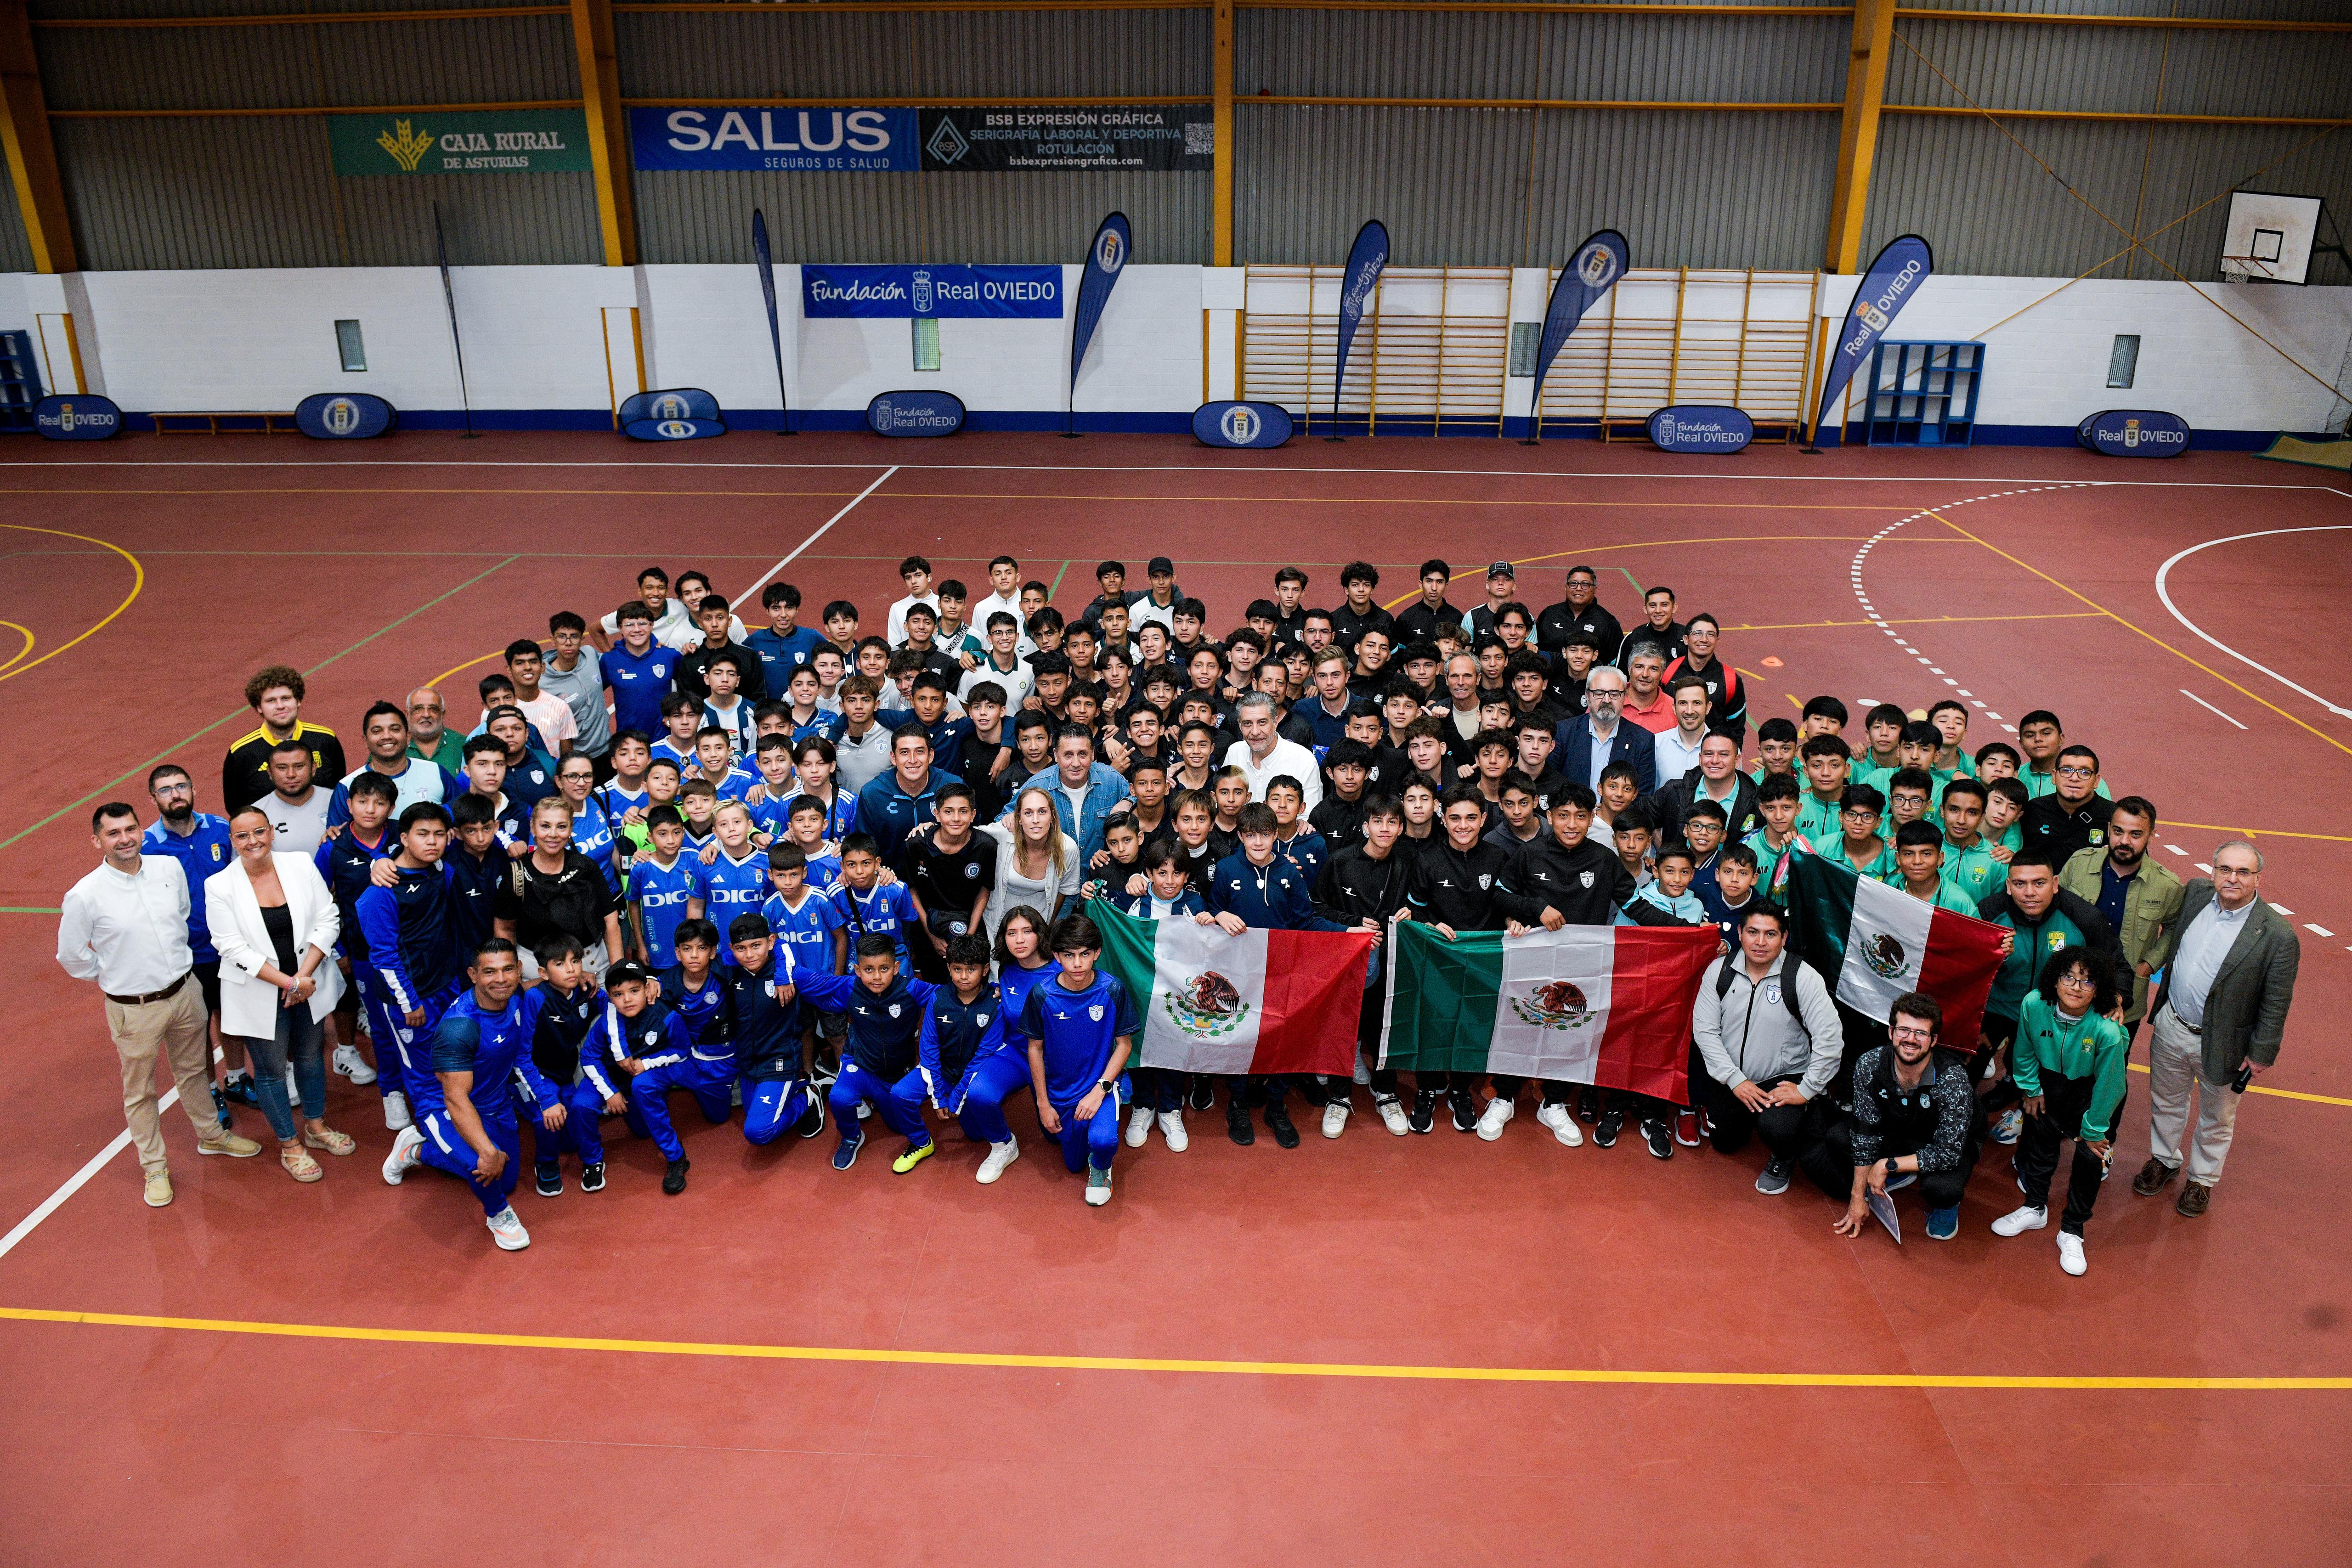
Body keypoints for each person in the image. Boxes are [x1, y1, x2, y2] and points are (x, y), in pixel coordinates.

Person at [57, 802, 264, 1206]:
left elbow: (183, 917)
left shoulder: (168, 870)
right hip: (133, 1008)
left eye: (130, 829)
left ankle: (212, 1137)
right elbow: (71, 956)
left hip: (185, 992)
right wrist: (114, 975)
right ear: (96, 840)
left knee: (193, 1072)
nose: (125, 839)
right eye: (113, 833)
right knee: (140, 1092)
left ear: (141, 830)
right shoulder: (85, 895)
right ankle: (154, 1168)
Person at [2135, 841, 2300, 1219]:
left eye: (2243, 872)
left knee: (2218, 1116)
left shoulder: (2277, 935)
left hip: (2226, 1042)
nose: (2232, 878)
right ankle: (2164, 1159)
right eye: (2225, 869)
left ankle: (2202, 1180)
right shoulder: (2195, 894)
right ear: (2212, 871)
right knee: (2166, 1100)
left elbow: (2276, 1002)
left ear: (2259, 878)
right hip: (2173, 1025)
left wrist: (2261, 1054)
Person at [381, 938, 564, 1252]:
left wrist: (545, 1097)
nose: (501, 979)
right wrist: (486, 1151)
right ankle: (498, 1216)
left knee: (505, 1180)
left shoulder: (516, 1000)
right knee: (484, 1166)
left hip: (495, 1102)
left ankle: (419, 1152)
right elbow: (455, 1099)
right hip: (444, 1107)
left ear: (520, 970)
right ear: (473, 975)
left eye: (508, 969)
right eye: (490, 972)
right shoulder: (460, 1028)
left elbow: (521, 1054)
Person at [204, 807, 353, 1182]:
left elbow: (328, 917)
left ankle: (316, 1128)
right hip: (261, 990)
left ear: (272, 833)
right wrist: (287, 984)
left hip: (308, 984)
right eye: (242, 836)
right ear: (232, 842)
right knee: (270, 1072)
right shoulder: (219, 886)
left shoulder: (300, 865)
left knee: (309, 1056)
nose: (252, 841)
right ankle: (290, 1145)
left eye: (259, 832)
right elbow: (231, 948)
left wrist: (302, 978)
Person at [1203, 801, 1349, 1148]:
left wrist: (1349, 933)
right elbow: (1209, 912)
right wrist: (1220, 915)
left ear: (1275, 837)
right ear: (1240, 836)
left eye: (1265, 835)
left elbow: (1307, 921)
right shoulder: (1225, 869)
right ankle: (1237, 1102)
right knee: (1240, 1034)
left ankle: (1277, 1104)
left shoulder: (1289, 872)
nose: (1257, 843)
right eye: (1251, 835)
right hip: (1238, 972)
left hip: (1282, 972)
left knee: (1284, 1035)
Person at [1990, 946, 2131, 1275]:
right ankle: (2035, 1208)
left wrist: (2095, 1130)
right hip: (2048, 1082)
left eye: (2087, 981)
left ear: (2100, 990)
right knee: (2038, 1142)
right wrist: (2030, 1088)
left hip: (2092, 1091)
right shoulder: (2034, 1004)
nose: (2076, 987)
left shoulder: (2108, 1031)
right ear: (2055, 980)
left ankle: (2072, 1230)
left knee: (2088, 1158)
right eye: (2069, 977)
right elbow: (2023, 1049)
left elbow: (2112, 1086)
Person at [1691, 905, 1842, 1196]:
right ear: (1740, 934)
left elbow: (1831, 1039)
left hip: (1783, 1076)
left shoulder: (1802, 977)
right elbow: (1705, 1032)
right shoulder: (1719, 971)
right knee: (1724, 1143)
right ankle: (1750, 1115)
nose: (1761, 943)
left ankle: (1784, 1155)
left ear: (1784, 938)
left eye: (1770, 934)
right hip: (1734, 1076)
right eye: (1753, 932)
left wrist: (1807, 1089)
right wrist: (1735, 1080)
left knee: (1778, 1130)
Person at [1810, 993, 1978, 1243]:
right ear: (1890, 1032)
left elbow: (1948, 1152)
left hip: (1942, 1143)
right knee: (1838, 1137)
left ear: (1934, 1040)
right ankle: (1903, 1171)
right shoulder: (1869, 1064)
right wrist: (1858, 1197)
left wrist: (1888, 1165)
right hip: (1897, 1130)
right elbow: (1865, 1133)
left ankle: (1944, 1205)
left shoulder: (1953, 1078)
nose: (1910, 1039)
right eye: (1903, 1030)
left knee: (1943, 1190)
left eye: (1921, 1033)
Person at [1018, 914, 1142, 1206]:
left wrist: (1100, 1090)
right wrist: (1043, 1104)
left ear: (1097, 954)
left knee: (1104, 1143)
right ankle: (1074, 1129)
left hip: (1101, 1084)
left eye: (1085, 955)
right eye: (1069, 955)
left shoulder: (1113, 990)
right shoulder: (1041, 994)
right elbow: (1034, 1049)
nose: (1077, 964)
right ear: (1057, 956)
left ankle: (1101, 1168)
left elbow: (1125, 1046)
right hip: (1059, 1090)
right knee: (1071, 1163)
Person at [139, 765, 243, 1113]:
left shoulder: (220, 828)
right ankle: (210, 1088)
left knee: (230, 1017)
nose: (175, 794)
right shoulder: (148, 847)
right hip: (185, 956)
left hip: (229, 948)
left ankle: (238, 1077)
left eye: (181, 786)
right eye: (165, 790)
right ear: (153, 798)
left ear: (193, 788)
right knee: (196, 1027)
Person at [792, 933, 941, 1173]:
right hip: (860, 1065)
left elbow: (948, 995)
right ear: (857, 970)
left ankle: (884, 1102)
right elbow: (806, 977)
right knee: (839, 1098)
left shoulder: (912, 988)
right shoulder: (850, 987)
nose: (877, 977)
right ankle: (851, 1137)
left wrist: (992, 993)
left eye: (884, 969)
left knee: (898, 1126)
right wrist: (781, 967)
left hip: (897, 1074)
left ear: (896, 967)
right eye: (869, 970)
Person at [2057, 795, 2182, 1038]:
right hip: (2068, 986)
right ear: (2108, 829)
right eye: (2118, 831)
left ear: (2151, 836)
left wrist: (2148, 966)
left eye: (2136, 834)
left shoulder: (2167, 885)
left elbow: (2174, 927)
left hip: (2123, 994)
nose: (2124, 841)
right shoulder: (2079, 864)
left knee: (2112, 1067)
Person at [493, 798, 625, 981]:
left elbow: (611, 923)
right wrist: (511, 975)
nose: (553, 834)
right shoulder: (516, 874)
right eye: (545, 826)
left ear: (571, 830)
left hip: (593, 967)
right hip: (536, 974)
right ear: (533, 828)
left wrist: (619, 974)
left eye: (562, 827)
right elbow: (504, 929)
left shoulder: (586, 867)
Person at [223, 665, 346, 816]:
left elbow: (339, 789)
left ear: (298, 701)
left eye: (286, 698)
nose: (280, 706)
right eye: (271, 701)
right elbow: (236, 807)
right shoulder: (241, 752)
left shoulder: (325, 739)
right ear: (259, 707)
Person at [1554, 665, 1655, 797]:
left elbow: (1643, 797)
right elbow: (1553, 785)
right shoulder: (1564, 732)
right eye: (1599, 693)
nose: (1607, 700)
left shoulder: (1643, 740)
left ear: (1624, 697)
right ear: (1588, 695)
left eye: (1614, 694)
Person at [1221, 692, 1324, 810]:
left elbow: (1309, 816)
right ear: (1240, 726)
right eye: (1248, 724)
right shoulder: (1235, 752)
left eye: (1262, 723)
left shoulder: (1303, 760)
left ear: (1275, 722)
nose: (1255, 732)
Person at [541, 611, 612, 768]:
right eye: (562, 636)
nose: (568, 642)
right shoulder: (543, 682)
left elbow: (617, 661)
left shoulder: (590, 655)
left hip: (606, 750)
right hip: (576, 758)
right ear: (552, 640)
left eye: (574, 636)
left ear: (582, 639)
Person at [2018, 744, 2109, 863]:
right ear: (2054, 776)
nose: (2074, 778)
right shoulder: (2033, 810)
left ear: (2096, 781)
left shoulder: (2112, 815)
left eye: (2085, 772)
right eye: (2066, 770)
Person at [256, 739, 329, 860]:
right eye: (282, 768)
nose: (291, 774)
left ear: (313, 768)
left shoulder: (337, 802)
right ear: (270, 772)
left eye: (299, 766)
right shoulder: (257, 815)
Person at [407, 685, 467, 774]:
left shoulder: (463, 744)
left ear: (443, 715)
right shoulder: (397, 746)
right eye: (418, 709)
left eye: (433, 709)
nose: (426, 715)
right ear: (408, 714)